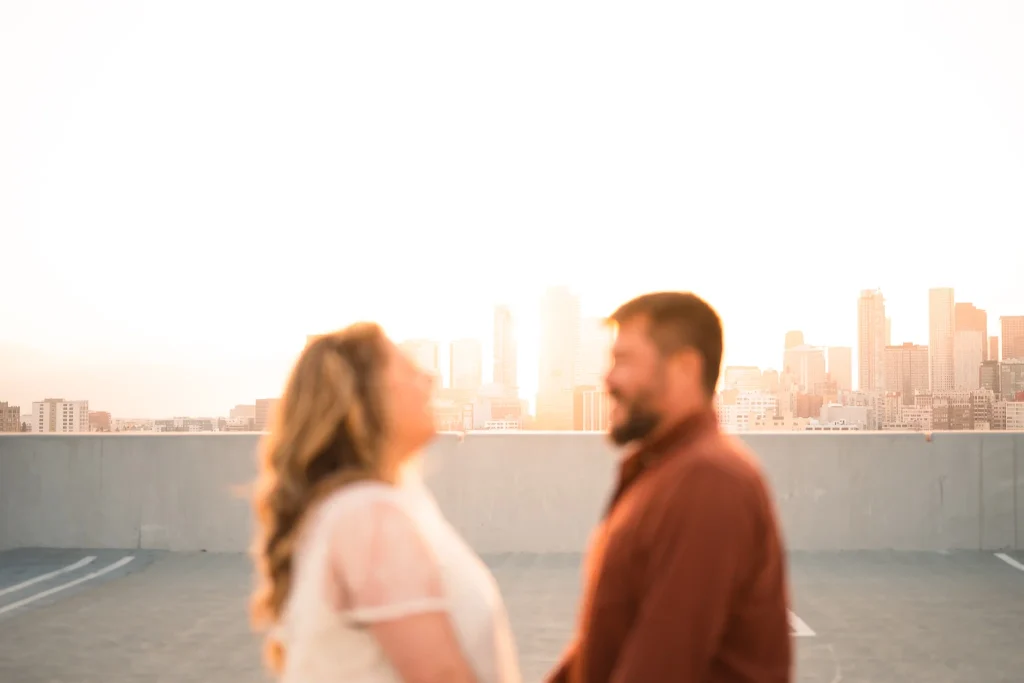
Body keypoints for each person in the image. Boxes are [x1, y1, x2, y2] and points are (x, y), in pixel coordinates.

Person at [250, 322, 521, 683]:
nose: (430, 378)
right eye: (408, 369)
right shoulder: (368, 515)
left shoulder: (368, 505)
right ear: (364, 397)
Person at [547, 292, 792, 683]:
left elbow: (661, 665)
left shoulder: (711, 482)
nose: (607, 379)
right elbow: (610, 638)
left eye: (623, 360)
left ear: (684, 367)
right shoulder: (660, 471)